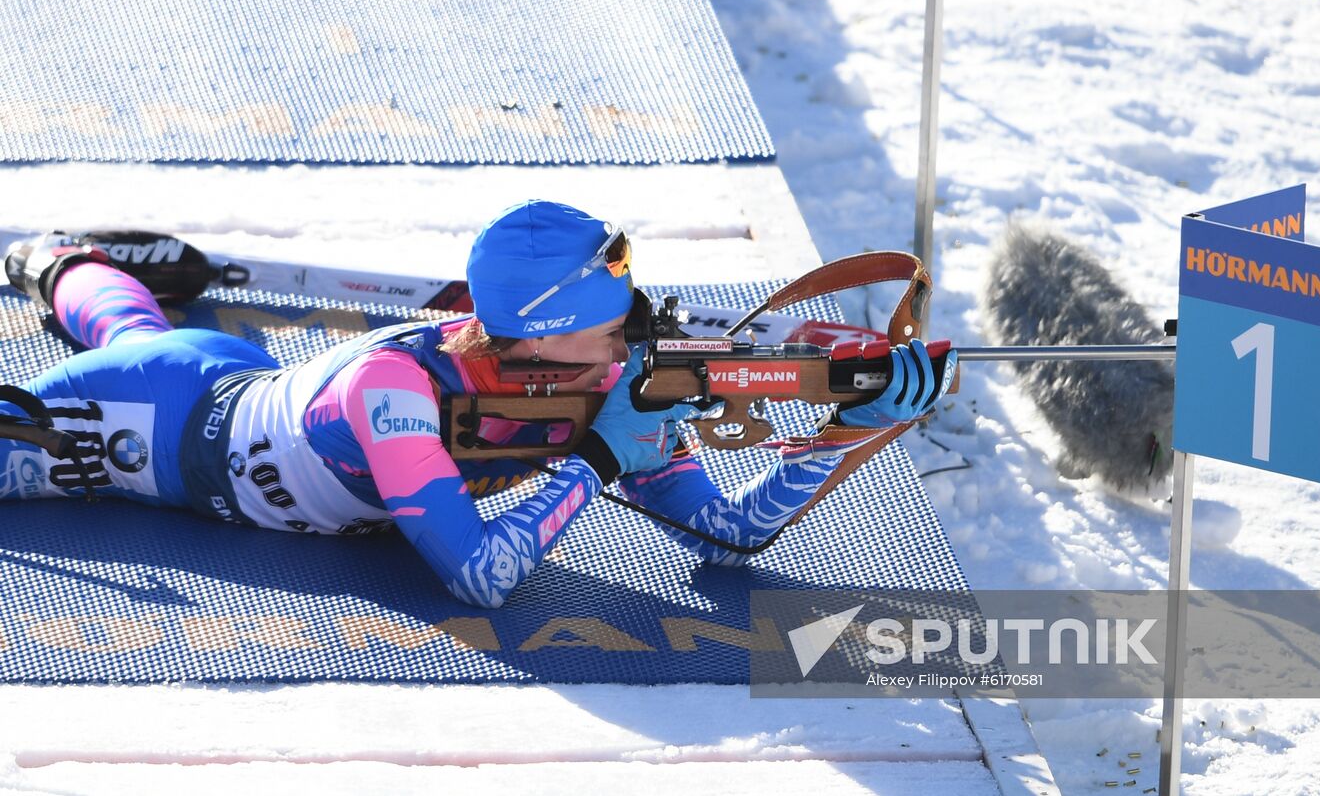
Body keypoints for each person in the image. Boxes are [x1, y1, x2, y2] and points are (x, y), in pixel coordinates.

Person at [1, 201, 956, 608]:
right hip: (151, 424)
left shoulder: (593, 381)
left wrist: (848, 427)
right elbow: (480, 576)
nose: (633, 339)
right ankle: (60, 266)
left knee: (137, 329)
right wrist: (603, 460)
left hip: (225, 368)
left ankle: (72, 267)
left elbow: (731, 532)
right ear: (539, 335)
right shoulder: (397, 390)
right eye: (608, 324)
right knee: (120, 358)